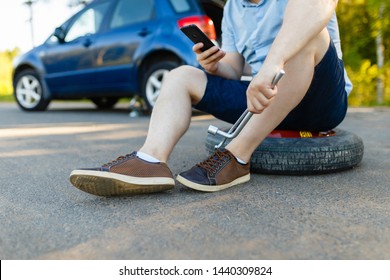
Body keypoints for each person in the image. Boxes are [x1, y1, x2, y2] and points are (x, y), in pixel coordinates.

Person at [69, 0, 352, 196]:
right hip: (263, 99)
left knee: (310, 38)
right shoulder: (232, 9)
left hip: (320, 99)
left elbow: (320, 6)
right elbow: (234, 68)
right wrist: (215, 65)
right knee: (179, 76)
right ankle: (150, 160)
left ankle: (236, 156)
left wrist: (271, 67)